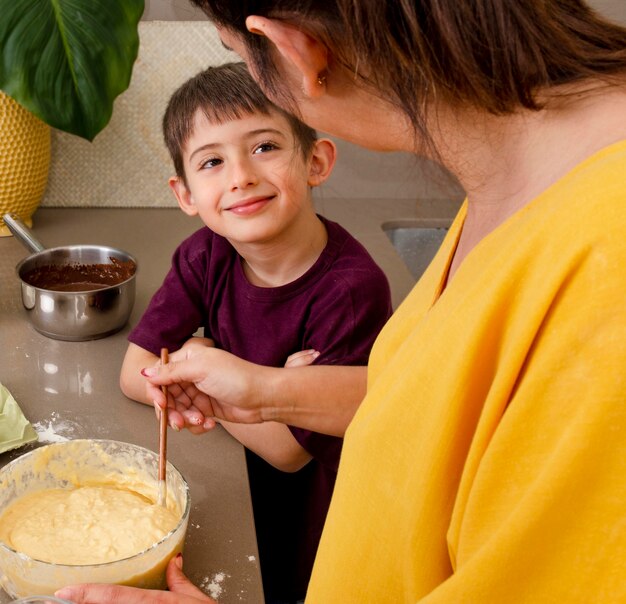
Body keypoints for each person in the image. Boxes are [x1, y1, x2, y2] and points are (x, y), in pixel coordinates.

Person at [57, 1, 626, 602]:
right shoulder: (526, 188)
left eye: (241, 58)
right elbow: (437, 410)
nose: (240, 176)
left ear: (294, 52)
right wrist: (269, 391)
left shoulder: (600, 272)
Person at [117, 61, 392, 603]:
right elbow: (136, 373)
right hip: (229, 475)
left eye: (265, 147)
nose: (240, 175)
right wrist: (267, 389)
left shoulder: (351, 290)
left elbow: (291, 455)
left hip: (315, 508)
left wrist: (213, 368)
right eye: (213, 161)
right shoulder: (205, 254)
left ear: (316, 160)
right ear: (186, 194)